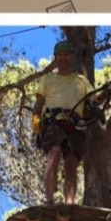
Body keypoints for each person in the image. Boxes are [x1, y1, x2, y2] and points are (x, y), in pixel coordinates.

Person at [32, 40, 97, 204]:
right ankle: (49, 199)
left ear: (72, 57)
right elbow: (39, 102)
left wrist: (105, 94)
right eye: (59, 55)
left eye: (66, 54)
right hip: (54, 121)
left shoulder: (81, 80)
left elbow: (93, 100)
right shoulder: (47, 79)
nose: (63, 58)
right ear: (55, 58)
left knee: (71, 162)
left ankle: (70, 202)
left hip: (75, 124)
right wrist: (35, 119)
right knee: (54, 154)